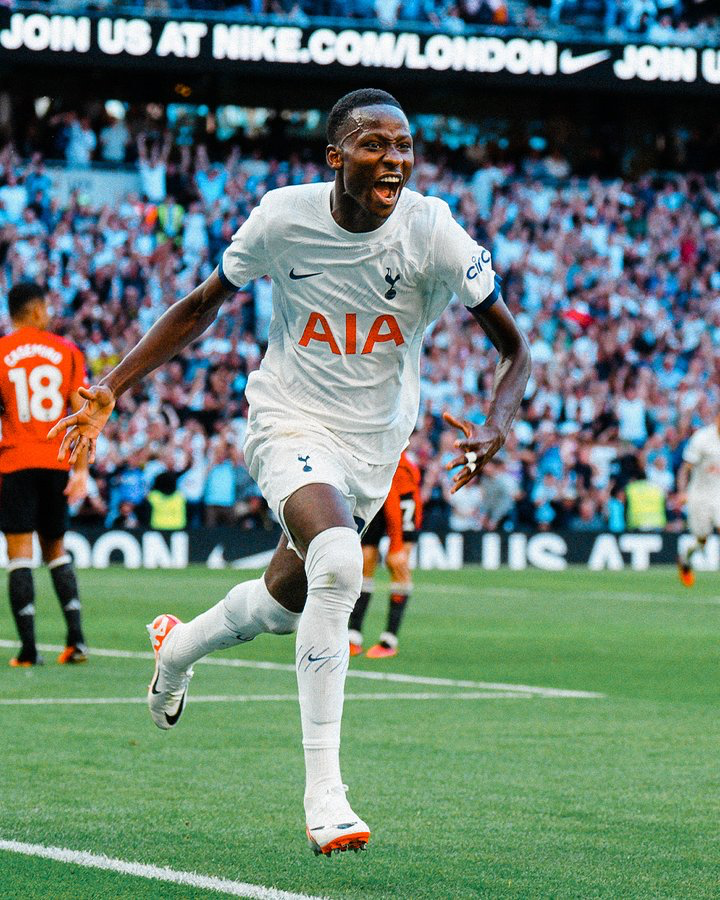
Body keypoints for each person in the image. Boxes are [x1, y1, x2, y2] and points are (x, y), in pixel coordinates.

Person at [50, 89, 530, 856]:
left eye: (404, 146)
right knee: (340, 562)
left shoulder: (434, 231)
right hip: (290, 421)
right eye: (376, 145)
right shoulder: (281, 217)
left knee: (284, 602)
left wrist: (499, 422)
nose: (396, 160)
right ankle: (326, 795)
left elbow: (514, 346)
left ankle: (176, 650)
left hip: (375, 448)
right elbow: (202, 303)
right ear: (335, 156)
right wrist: (113, 382)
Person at [0, 282, 90, 667]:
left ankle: (28, 650)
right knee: (56, 550)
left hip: (16, 462)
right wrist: (82, 470)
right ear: (36, 310)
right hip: (57, 463)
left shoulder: (1, 353)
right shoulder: (68, 353)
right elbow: (83, 415)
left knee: (19, 554)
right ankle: (76, 642)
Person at [348, 449, 422, 659]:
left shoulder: (399, 466)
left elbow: (394, 504)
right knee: (364, 563)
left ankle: (389, 640)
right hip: (378, 493)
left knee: (398, 564)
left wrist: (396, 544)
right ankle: (353, 636)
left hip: (401, 497)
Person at [676, 412, 720, 587]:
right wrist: (681, 492)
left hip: (718, 494)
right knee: (702, 539)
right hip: (699, 495)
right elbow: (685, 469)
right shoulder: (702, 438)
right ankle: (686, 557)